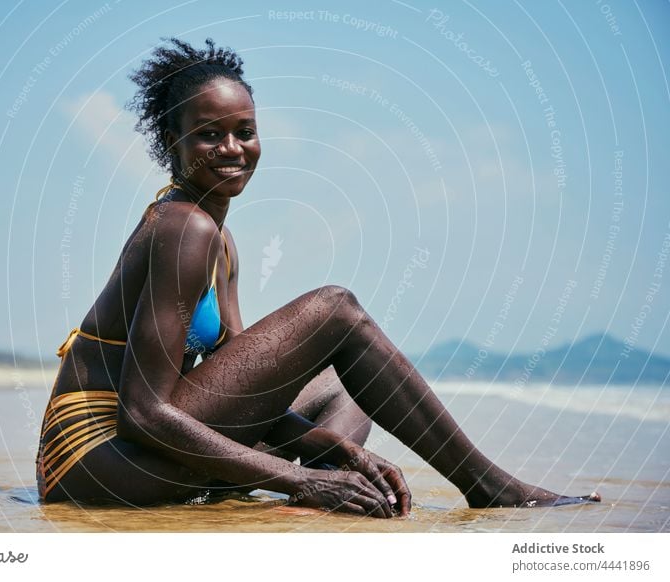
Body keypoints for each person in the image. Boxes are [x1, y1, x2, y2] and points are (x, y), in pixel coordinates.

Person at [36, 38, 600, 517]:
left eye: (245, 131)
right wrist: (296, 475)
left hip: (145, 451)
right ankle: (489, 487)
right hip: (95, 463)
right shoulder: (181, 229)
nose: (232, 149)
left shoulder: (218, 241)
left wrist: (330, 447)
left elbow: (237, 391)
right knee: (335, 310)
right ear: (171, 143)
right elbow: (142, 413)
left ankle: (334, 492)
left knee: (339, 386)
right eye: (209, 134)